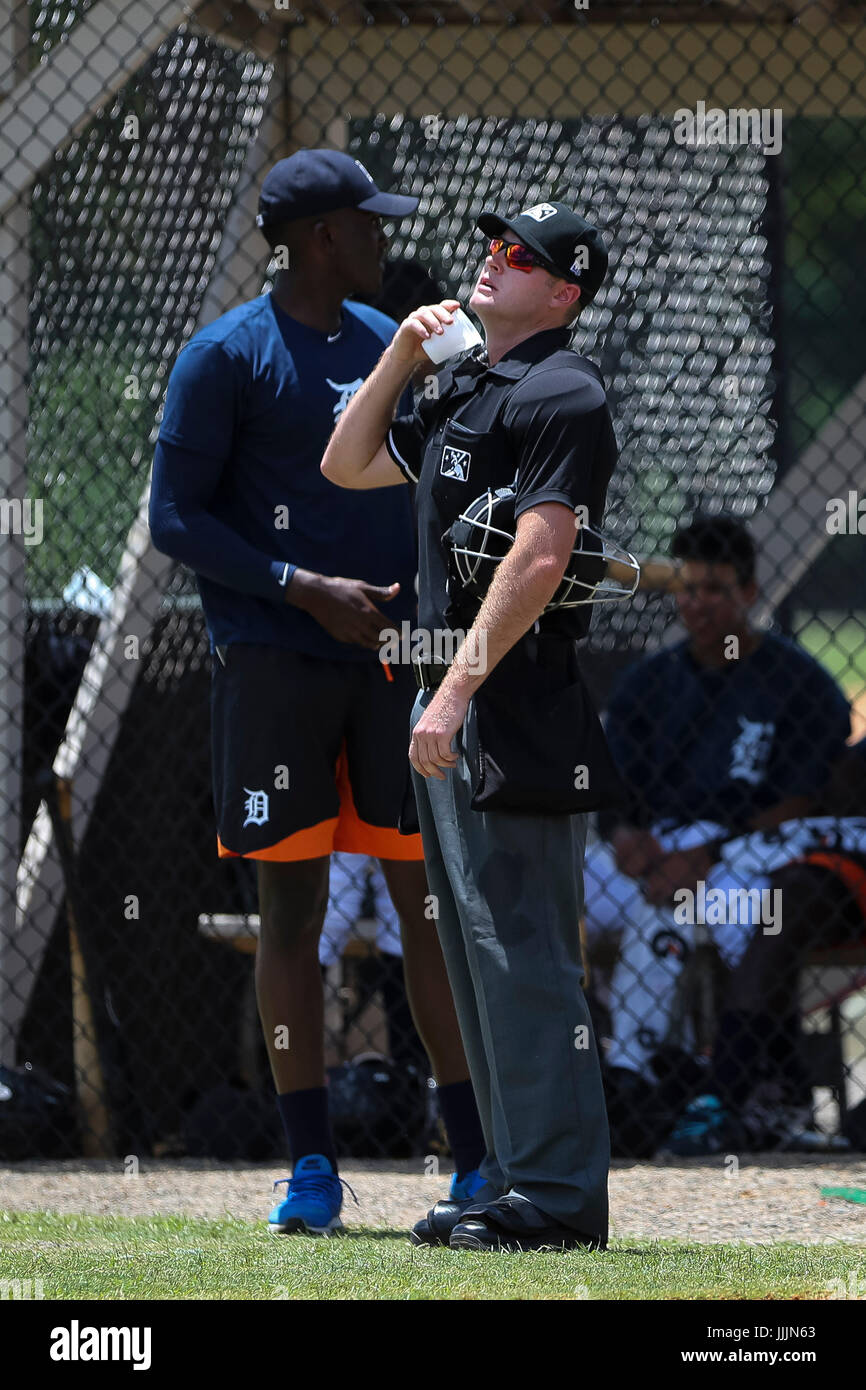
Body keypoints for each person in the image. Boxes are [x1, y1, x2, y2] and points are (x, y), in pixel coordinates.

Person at [149, 149, 486, 1235]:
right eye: (368, 222)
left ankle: (474, 1158)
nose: (386, 238)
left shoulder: (398, 348)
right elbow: (175, 520)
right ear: (319, 238)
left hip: (392, 669)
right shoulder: (223, 356)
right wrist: (301, 586)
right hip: (275, 666)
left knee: (423, 915)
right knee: (288, 916)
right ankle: (309, 1169)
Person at [322, 199, 618, 1252]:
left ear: (563, 292)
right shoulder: (465, 386)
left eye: (521, 258)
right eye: (493, 247)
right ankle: (508, 1177)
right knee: (475, 954)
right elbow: (344, 463)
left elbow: (539, 557)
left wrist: (449, 691)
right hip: (452, 708)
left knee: (524, 957)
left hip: (513, 709)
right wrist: (402, 354)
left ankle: (556, 1198)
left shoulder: (563, 389)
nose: (493, 263)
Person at [583, 515, 852, 1151]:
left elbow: (804, 799)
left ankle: (733, 1084)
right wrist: (624, 836)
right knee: (549, 897)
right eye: (687, 589)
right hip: (645, 852)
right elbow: (612, 782)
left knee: (739, 919)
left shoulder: (796, 680)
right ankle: (588, 1065)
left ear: (750, 594)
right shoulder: (651, 679)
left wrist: (709, 850)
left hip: (741, 853)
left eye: (715, 590)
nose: (697, 604)